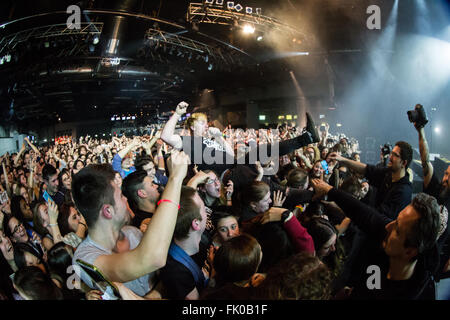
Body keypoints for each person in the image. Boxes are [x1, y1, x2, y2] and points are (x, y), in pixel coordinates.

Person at [72, 151, 188, 298]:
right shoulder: (84, 258)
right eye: (120, 195)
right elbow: (151, 258)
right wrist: (175, 179)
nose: (126, 199)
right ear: (108, 210)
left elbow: (163, 277)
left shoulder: (133, 233)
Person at [311, 178, 440, 299]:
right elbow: (366, 215)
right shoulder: (393, 245)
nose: (388, 226)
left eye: (397, 229)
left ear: (410, 251)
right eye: (395, 221)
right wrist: (329, 190)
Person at [161, 101, 320, 175]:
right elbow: (165, 136)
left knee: (263, 151)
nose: (206, 125)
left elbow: (230, 156)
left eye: (205, 122)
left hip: (235, 166)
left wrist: (220, 139)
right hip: (227, 176)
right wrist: (177, 114)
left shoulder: (210, 139)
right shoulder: (188, 142)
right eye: (202, 123)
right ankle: (307, 138)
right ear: (192, 127)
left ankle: (307, 138)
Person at [328, 140, 413, 220]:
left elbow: (378, 217)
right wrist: (341, 159)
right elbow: (366, 169)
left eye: (395, 155)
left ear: (404, 163)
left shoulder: (403, 192)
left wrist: (343, 205)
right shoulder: (388, 174)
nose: (390, 157)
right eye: (392, 153)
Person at [159, 186, 210, 300]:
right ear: (196, 224)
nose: (206, 212)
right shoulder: (177, 272)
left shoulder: (201, 243)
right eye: (203, 208)